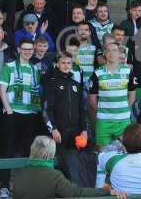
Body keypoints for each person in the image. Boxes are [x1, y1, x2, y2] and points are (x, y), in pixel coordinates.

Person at [12, 136, 125, 199]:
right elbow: (77, 193)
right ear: (50, 155)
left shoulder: (18, 174)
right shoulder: (54, 176)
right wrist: (106, 192)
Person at [0, 38, 41, 197]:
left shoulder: (35, 69)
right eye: (25, 49)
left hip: (29, 114)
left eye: (30, 49)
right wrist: (8, 109)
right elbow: (2, 89)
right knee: (6, 150)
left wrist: (34, 111)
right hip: (12, 113)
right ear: (18, 49)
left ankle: (25, 187)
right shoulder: (9, 67)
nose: (28, 52)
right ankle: (4, 187)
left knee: (27, 152)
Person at [44, 52, 89, 185]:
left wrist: (84, 130)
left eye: (68, 63)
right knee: (58, 165)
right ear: (57, 64)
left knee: (75, 166)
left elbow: (83, 109)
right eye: (63, 62)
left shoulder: (76, 84)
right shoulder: (51, 83)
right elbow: (46, 110)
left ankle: (74, 190)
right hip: (59, 132)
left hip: (76, 133)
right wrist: (54, 129)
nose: (65, 65)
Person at [88, 42, 136, 148]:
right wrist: (102, 112)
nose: (111, 53)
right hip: (103, 121)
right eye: (108, 50)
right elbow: (92, 99)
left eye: (114, 50)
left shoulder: (128, 71)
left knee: (125, 152)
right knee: (101, 155)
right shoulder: (97, 73)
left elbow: (132, 96)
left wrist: (123, 110)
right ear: (104, 53)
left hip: (123, 121)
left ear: (119, 53)